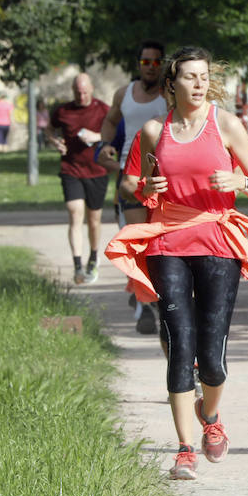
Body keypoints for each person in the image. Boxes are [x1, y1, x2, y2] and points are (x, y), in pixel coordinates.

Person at [105, 47, 248, 482]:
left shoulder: (227, 125)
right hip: (168, 242)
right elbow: (127, 182)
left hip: (218, 239)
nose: (198, 84)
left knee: (211, 357)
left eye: (203, 77)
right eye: (190, 77)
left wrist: (240, 180)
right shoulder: (153, 131)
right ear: (171, 85)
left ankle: (210, 415)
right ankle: (183, 449)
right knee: (180, 344)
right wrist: (144, 185)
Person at [100, 40, 169, 333]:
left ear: (162, 65)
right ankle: (143, 308)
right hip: (128, 178)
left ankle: (155, 296)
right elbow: (109, 121)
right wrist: (105, 145)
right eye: (145, 62)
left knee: (156, 246)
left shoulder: (169, 96)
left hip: (160, 177)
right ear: (138, 63)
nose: (150, 67)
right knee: (134, 244)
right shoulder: (123, 94)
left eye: (156, 62)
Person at [47, 73, 112, 284]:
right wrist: (55, 141)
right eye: (77, 92)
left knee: (93, 220)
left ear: (92, 89)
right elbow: (49, 128)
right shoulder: (63, 111)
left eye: (84, 91)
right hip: (71, 169)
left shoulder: (103, 109)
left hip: (97, 170)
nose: (81, 95)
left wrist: (97, 137)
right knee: (75, 213)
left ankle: (93, 257)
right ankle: (77, 265)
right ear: (72, 90)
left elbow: (116, 134)